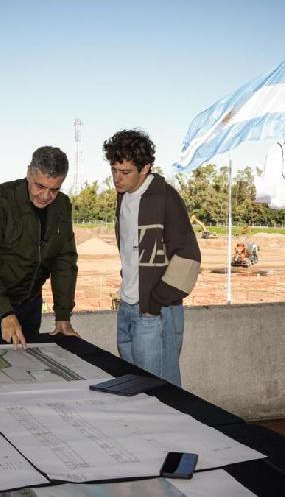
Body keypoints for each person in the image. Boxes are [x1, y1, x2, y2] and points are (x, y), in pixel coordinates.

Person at [103, 129, 201, 386]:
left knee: (160, 392)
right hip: (127, 307)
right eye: (114, 170)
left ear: (145, 168)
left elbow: (189, 256)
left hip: (155, 313)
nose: (117, 179)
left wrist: (155, 302)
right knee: (134, 389)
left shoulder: (165, 197)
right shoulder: (123, 197)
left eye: (125, 172)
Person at [0, 146, 80, 348]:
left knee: (25, 360)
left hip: (28, 299)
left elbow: (64, 261)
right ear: (28, 173)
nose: (45, 196)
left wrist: (63, 315)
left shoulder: (62, 206)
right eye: (40, 186)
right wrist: (5, 312)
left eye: (54, 189)